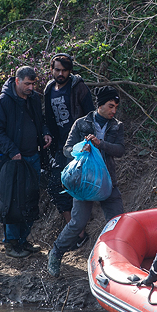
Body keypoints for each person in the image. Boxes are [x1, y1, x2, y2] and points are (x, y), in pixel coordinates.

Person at [47, 86, 125, 278]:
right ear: (100, 105)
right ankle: (55, 254)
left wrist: (101, 144)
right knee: (78, 222)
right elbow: (67, 150)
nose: (113, 110)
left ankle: (121, 262)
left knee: (118, 222)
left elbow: (121, 150)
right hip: (85, 182)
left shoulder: (117, 125)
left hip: (108, 181)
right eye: (110, 106)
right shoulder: (81, 123)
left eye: (115, 107)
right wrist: (83, 148)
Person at [0, 66, 53, 258]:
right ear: (17, 81)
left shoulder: (33, 98)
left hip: (33, 156)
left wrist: (45, 132)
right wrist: (12, 151)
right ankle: (10, 243)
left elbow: (39, 120)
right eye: (27, 84)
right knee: (12, 203)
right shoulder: (3, 102)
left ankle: (24, 241)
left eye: (33, 84)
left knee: (30, 200)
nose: (31, 87)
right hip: (13, 161)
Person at [44, 54, 95, 224]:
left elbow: (90, 116)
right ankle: (75, 230)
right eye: (57, 69)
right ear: (51, 69)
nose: (60, 73)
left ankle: (80, 229)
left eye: (64, 70)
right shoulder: (49, 89)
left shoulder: (78, 87)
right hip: (60, 147)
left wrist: (87, 142)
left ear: (70, 71)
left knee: (74, 186)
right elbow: (48, 118)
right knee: (55, 185)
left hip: (78, 146)